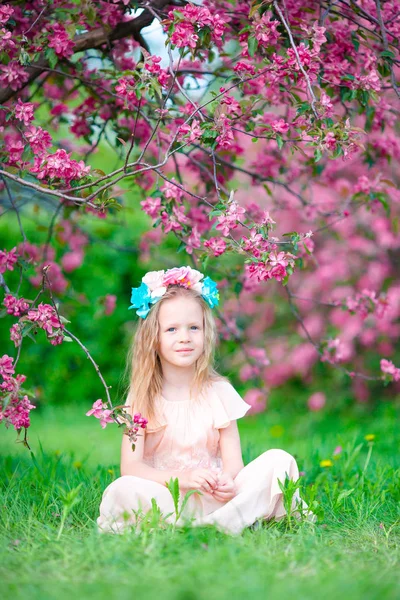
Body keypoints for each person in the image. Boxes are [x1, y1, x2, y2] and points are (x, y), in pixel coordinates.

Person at [97, 265, 311, 536]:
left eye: (193, 327)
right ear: (153, 338)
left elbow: (234, 463)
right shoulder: (141, 397)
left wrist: (226, 483)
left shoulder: (219, 392)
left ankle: (212, 521)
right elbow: (131, 467)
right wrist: (183, 480)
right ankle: (224, 523)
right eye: (172, 329)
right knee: (122, 489)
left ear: (205, 333)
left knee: (279, 460)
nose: (185, 337)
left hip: (215, 498)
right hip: (168, 498)